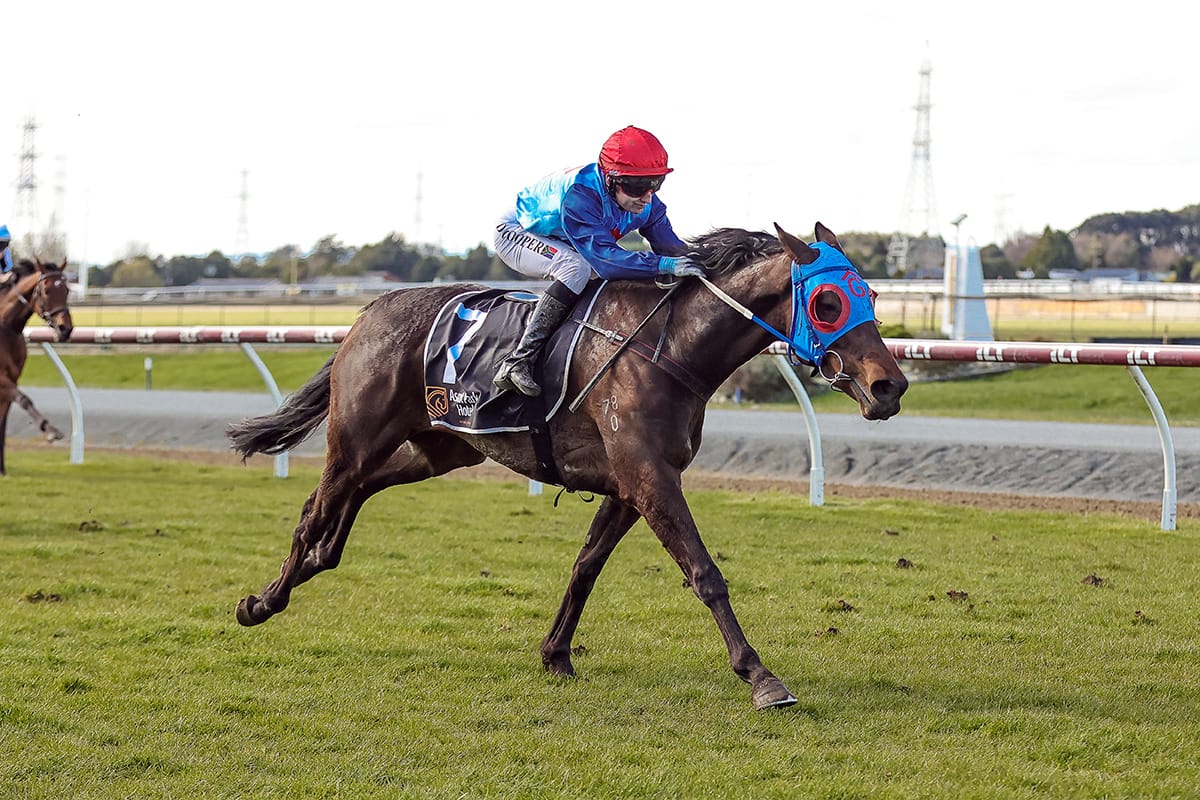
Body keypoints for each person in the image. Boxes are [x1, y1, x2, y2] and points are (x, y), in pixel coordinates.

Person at [491, 125, 705, 397]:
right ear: (609, 180)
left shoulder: (647, 203)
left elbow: (672, 248)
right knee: (577, 269)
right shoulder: (581, 196)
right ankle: (518, 361)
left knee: (588, 270)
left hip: (565, 238)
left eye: (655, 183)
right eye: (638, 185)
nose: (647, 196)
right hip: (516, 232)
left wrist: (705, 264)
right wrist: (662, 265)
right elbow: (606, 262)